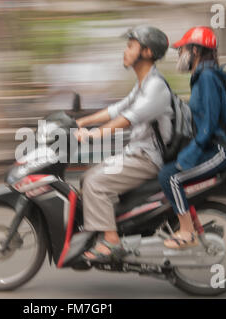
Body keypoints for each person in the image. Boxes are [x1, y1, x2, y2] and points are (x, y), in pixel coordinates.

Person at [74, 25, 173, 263]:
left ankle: (111, 243)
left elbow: (127, 118)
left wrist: (93, 135)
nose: (125, 51)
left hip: (148, 158)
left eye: (130, 46)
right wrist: (81, 121)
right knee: (88, 177)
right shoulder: (143, 84)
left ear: (147, 52)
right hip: (136, 152)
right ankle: (111, 227)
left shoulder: (155, 87)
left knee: (96, 183)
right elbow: (117, 109)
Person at [158, 26, 226, 249]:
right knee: (166, 170)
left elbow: (208, 125)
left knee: (170, 176)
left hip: (218, 151)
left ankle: (187, 231)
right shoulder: (202, 77)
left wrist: (188, 156)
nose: (180, 55)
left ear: (196, 51)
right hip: (208, 147)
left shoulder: (208, 77)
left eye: (182, 50)